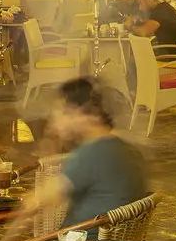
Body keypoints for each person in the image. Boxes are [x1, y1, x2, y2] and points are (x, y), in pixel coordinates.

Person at [50, 77, 147, 226]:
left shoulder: (88, 156)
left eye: (64, 112)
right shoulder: (129, 150)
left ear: (84, 113)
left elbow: (38, 203)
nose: (57, 121)